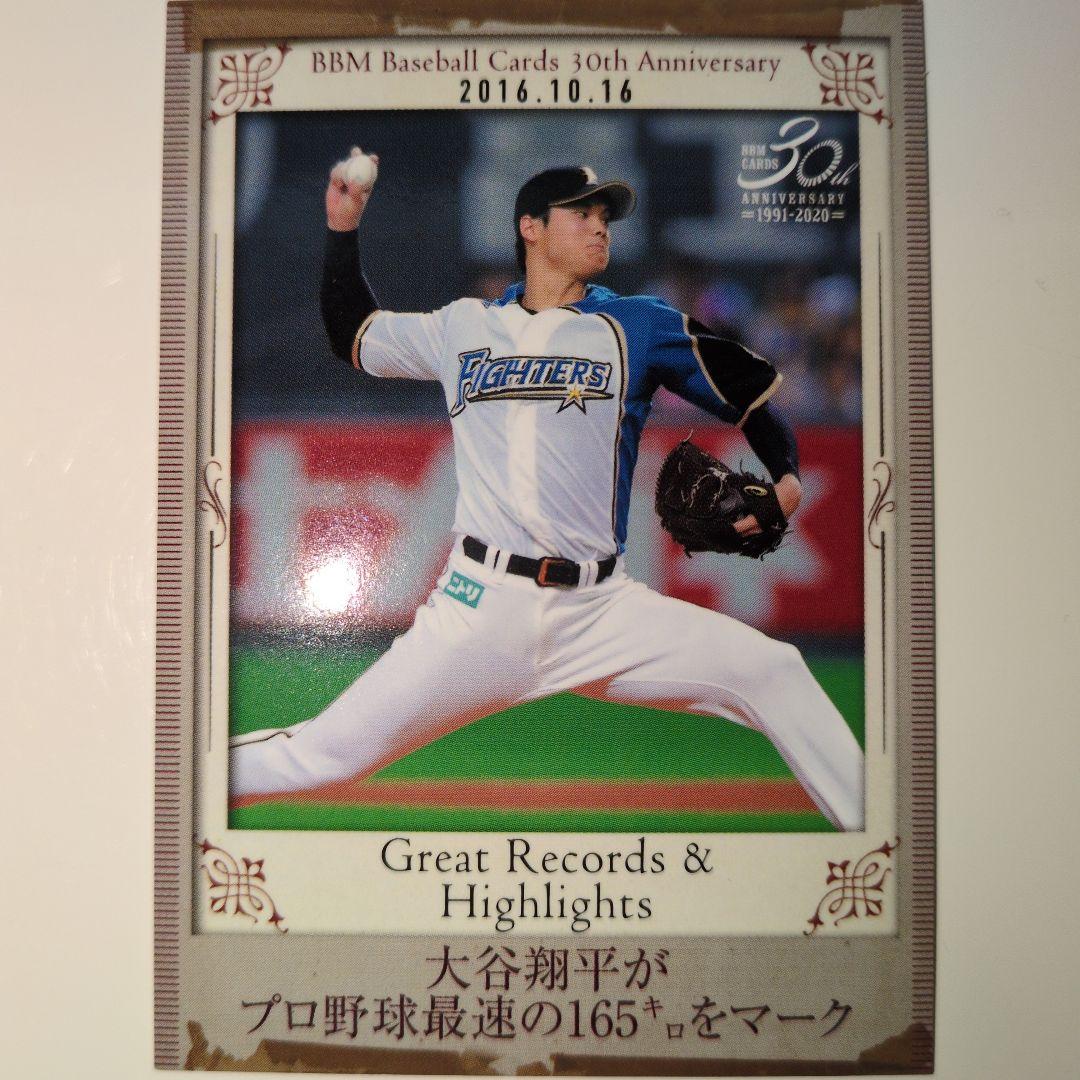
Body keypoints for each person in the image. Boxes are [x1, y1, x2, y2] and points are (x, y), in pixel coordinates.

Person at [229, 156, 864, 831]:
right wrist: (342, 228)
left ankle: (884, 840)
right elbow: (353, 332)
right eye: (582, 213)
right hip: (481, 609)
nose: (600, 227)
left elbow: (752, 399)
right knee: (324, 758)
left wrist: (787, 478)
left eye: (605, 216)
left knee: (773, 670)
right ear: (530, 227)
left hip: (600, 611)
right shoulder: (462, 326)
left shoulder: (638, 325)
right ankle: (182, 773)